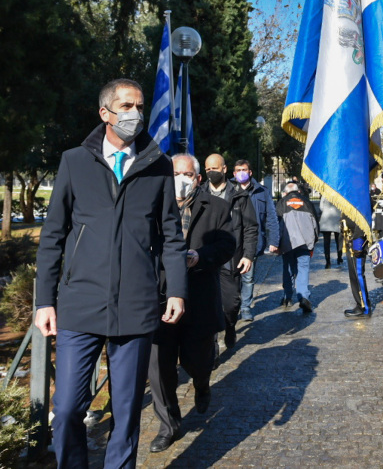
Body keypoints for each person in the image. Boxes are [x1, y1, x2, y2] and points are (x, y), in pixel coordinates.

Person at [34, 78, 187, 468]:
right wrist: (44, 301)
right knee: (67, 407)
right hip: (79, 304)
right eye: (125, 106)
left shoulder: (158, 165)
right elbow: (53, 235)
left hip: (135, 308)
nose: (135, 114)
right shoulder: (74, 161)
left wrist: (177, 291)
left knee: (126, 411)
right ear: (105, 113)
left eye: (139, 106)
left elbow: (171, 236)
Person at [147, 154, 236, 453]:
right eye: (175, 173)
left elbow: (227, 245)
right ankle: (169, 425)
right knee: (159, 366)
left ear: (197, 178)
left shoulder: (218, 207)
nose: (181, 179)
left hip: (197, 297)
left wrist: (200, 257)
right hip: (159, 298)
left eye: (186, 174)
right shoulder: (150, 205)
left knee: (197, 360)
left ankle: (202, 383)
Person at [202, 153, 258, 345]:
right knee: (208, 305)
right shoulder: (201, 194)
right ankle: (213, 345)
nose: (211, 173)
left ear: (224, 169)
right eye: (207, 169)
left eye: (214, 169)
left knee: (231, 303)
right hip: (206, 258)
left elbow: (250, 227)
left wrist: (248, 255)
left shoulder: (239, 196)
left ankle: (230, 326)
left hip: (231, 258)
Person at [232, 159, 279, 321]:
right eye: (238, 170)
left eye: (244, 169)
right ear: (233, 173)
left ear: (250, 172)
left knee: (248, 277)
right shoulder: (230, 189)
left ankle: (245, 308)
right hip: (232, 241)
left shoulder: (262, 191)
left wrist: (274, 240)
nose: (241, 172)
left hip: (253, 241)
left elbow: (271, 218)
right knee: (231, 277)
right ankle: (232, 305)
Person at [277, 180, 319, 313]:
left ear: (286, 192)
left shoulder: (281, 203)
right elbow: (315, 224)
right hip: (305, 243)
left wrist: (277, 244)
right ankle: (303, 297)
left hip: (287, 243)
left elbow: (276, 225)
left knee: (288, 269)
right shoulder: (307, 202)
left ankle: (287, 297)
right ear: (298, 191)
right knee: (303, 269)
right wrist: (313, 242)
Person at [341, 214, 371, 318]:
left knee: (358, 275)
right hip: (350, 240)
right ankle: (359, 304)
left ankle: (364, 307)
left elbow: (362, 220)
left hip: (357, 241)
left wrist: (358, 242)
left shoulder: (360, 198)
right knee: (353, 275)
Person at [319, 195, 343, 268]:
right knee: (338, 241)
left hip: (326, 220)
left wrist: (327, 211)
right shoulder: (339, 194)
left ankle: (328, 261)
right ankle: (339, 258)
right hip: (337, 218)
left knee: (326, 243)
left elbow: (321, 207)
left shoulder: (325, 195)